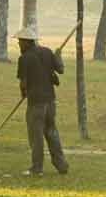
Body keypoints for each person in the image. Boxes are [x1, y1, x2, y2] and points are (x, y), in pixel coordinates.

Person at [15, 27, 69, 176]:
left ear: (27, 42)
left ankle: (36, 168)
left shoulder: (24, 59)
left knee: (36, 136)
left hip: (36, 103)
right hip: (50, 101)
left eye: (20, 42)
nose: (19, 45)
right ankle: (62, 165)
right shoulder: (47, 52)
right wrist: (58, 56)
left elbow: (23, 83)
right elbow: (61, 70)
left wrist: (23, 93)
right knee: (52, 132)